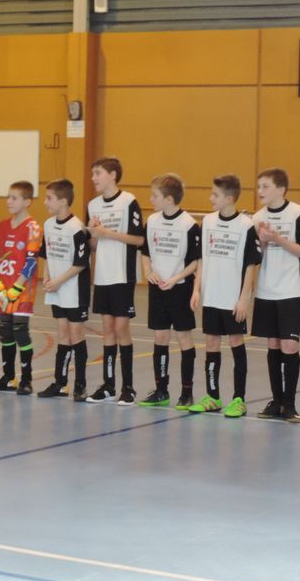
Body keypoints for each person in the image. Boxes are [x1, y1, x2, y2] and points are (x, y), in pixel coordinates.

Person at [189, 175, 261, 418]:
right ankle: (213, 396)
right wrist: (197, 289)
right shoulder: (207, 222)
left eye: (215, 194)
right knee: (211, 344)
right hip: (212, 296)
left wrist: (243, 299)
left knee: (235, 343)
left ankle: (239, 399)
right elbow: (201, 259)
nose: (211, 198)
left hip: (232, 299)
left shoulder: (245, 225)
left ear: (229, 198)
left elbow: (251, 265)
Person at [251, 167, 300, 423]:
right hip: (266, 289)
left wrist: (277, 238)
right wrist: (263, 242)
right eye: (258, 186)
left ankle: (290, 403)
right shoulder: (257, 217)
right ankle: (276, 401)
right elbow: (255, 258)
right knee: (273, 344)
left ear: (280, 189)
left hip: (291, 289)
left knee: (289, 345)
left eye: (265, 186)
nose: (260, 191)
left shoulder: (298, 213)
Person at [85, 156, 146, 406]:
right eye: (93, 174)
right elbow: (93, 245)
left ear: (112, 175)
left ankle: (128, 387)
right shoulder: (92, 205)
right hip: (102, 276)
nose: (94, 178)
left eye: (98, 173)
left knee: (121, 329)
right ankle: (108, 385)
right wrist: (93, 233)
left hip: (122, 275)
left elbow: (138, 240)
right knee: (107, 329)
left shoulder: (128, 201)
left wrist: (107, 233)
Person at [138, 173, 201, 409]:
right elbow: (145, 252)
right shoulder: (152, 221)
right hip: (158, 289)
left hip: (180, 289)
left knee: (183, 337)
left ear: (169, 199)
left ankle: (187, 392)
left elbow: (196, 261)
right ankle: (161, 390)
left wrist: (176, 278)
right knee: (160, 337)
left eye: (154, 196)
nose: (150, 199)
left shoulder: (189, 224)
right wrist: (148, 271)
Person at [0, 181, 43, 396]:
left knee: (20, 331)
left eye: (14, 198)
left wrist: (17, 288)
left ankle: (26, 380)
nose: (8, 201)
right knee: (5, 331)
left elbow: (31, 262)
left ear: (27, 202)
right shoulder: (2, 225)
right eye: (8, 197)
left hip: (22, 289)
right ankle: (8, 378)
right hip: (3, 287)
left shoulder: (33, 228)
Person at [37, 178, 91, 401]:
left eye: (49, 198)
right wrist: (47, 276)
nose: (45, 202)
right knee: (62, 334)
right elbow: (47, 254)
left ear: (63, 201)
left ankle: (80, 385)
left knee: (76, 335)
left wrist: (59, 281)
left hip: (74, 289)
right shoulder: (48, 225)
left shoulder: (77, 228)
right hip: (57, 289)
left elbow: (80, 263)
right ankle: (60, 383)